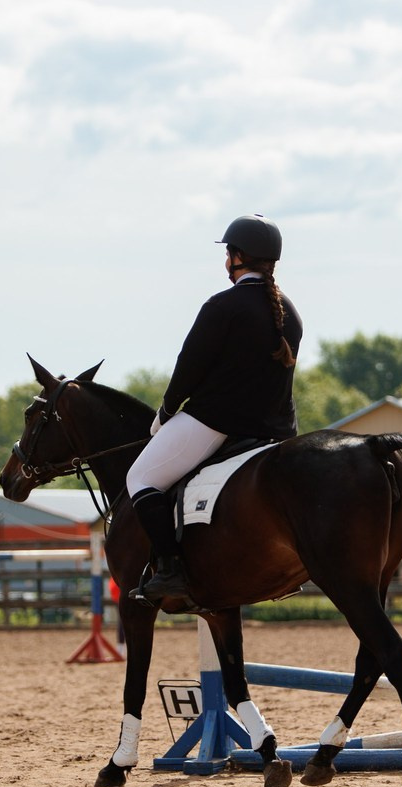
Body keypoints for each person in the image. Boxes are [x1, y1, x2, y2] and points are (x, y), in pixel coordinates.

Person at [128, 214, 303, 604]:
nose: (226, 261)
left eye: (228, 254)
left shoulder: (223, 306)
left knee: (140, 478)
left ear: (237, 256)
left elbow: (188, 368)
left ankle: (170, 570)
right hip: (277, 430)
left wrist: (166, 412)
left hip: (219, 422)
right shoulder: (290, 312)